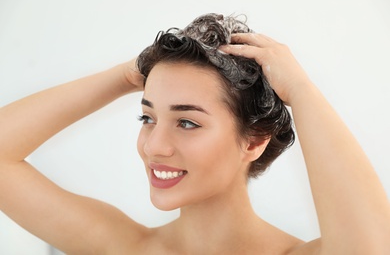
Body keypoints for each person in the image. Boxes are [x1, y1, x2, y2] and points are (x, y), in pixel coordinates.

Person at [0, 13, 389, 254]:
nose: (154, 146)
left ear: (253, 140)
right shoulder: (122, 247)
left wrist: (302, 93)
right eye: (147, 118)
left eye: (187, 122)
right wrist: (125, 75)